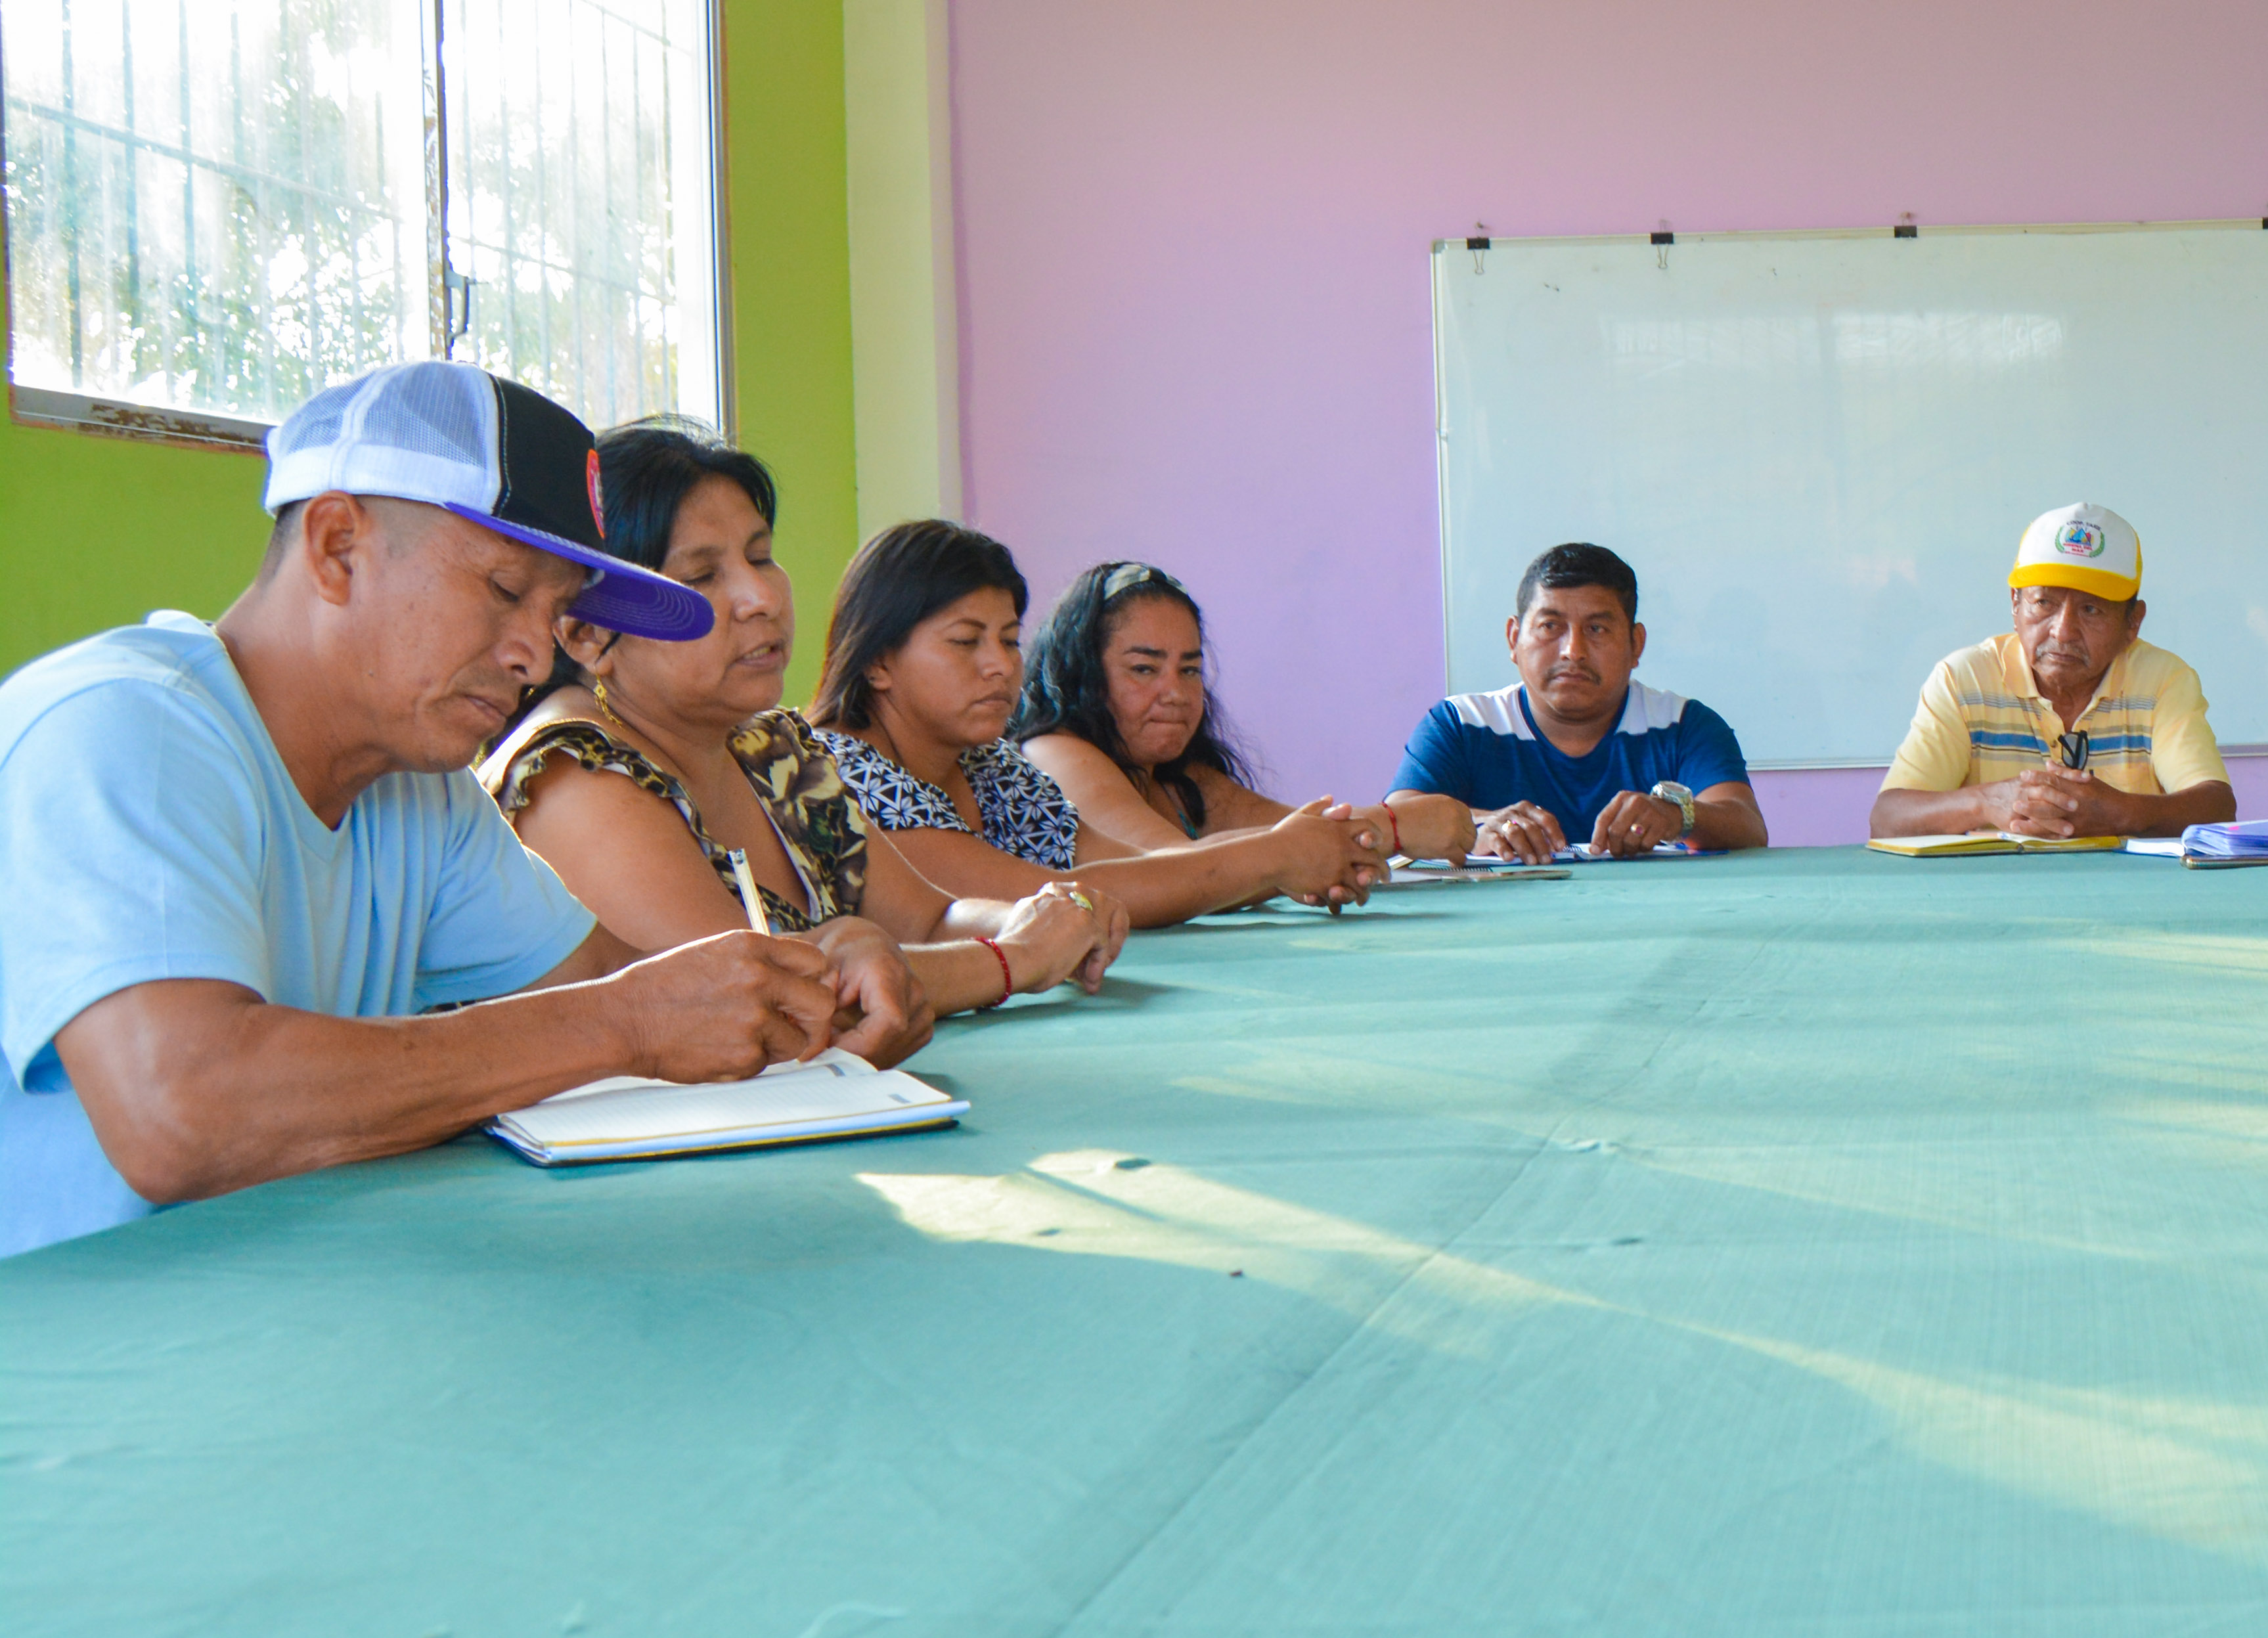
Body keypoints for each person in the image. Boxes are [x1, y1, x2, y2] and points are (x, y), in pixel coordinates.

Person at [0, 362, 923, 1258]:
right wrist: (628, 1023)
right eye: (505, 590)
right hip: (69, 1337)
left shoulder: (416, 789)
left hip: (281, 1305)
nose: (534, 656)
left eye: (556, 613)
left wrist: (809, 974)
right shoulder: (123, 725)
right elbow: (182, 1114)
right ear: (337, 547)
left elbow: (636, 987)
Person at [479, 419, 1123, 1013]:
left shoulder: (772, 749)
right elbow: (761, 1000)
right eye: (702, 575)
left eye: (760, 557)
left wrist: (1039, 918)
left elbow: (929, 921)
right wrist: (1016, 959)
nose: (760, 597)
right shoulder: (571, 773)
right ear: (587, 633)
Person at [807, 522, 1391, 924]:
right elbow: (1046, 899)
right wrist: (1276, 857)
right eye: (966, 642)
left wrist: (1304, 854)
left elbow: (1144, 874)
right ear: (877, 660)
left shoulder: (990, 767)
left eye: (1009, 640)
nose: (1000, 666)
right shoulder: (835, 772)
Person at [1016, 562, 1475, 862]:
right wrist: (1391, 826)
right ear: (1082, 674)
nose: (1175, 692)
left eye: (1189, 670)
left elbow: (1291, 828)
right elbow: (1175, 869)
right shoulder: (1052, 752)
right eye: (1143, 669)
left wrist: (1472, 824)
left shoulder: (1181, 779)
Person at [1870, 503, 2235, 839]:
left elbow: (2217, 807)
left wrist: (2121, 812)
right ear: (2015, 605)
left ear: (2132, 623)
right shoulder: (1964, 679)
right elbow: (1887, 819)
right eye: (2044, 602)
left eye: (2091, 609)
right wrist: (1986, 801)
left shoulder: (2163, 680)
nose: (2062, 631)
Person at [1387, 542, 1768, 863]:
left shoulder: (1683, 725)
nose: (1573, 650)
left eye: (1597, 629)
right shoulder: (1459, 724)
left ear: (1636, 645)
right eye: (1550, 626)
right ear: (1514, 639)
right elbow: (1397, 822)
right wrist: (1480, 826)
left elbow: (1748, 827)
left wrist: (1676, 816)